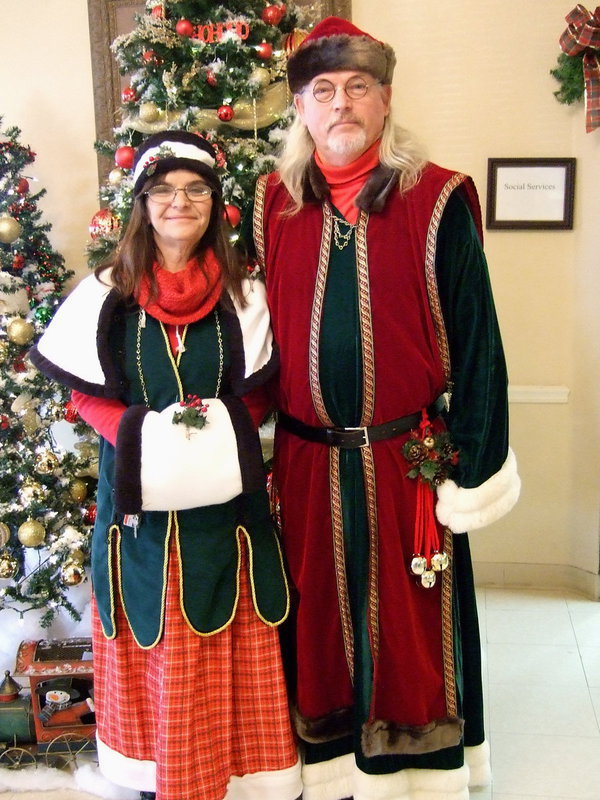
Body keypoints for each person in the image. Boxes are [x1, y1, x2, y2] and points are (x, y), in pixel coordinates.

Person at [250, 16, 521, 800]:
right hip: (303, 464)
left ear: (385, 100)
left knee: (411, 636)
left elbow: (478, 347)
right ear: (301, 107)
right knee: (322, 629)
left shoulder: (437, 199)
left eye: (358, 88)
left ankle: (417, 776)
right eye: (323, 91)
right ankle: (331, 769)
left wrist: (468, 467)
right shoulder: (276, 202)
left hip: (407, 465)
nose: (342, 106)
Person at [30, 131, 302, 800]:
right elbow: (84, 393)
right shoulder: (105, 295)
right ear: (143, 203)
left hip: (226, 517)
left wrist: (216, 433)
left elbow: (262, 386)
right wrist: (140, 435)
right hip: (139, 522)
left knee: (223, 644)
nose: (180, 203)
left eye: (196, 190)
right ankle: (163, 777)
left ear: (214, 203)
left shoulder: (244, 293)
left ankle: (236, 778)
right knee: (157, 644)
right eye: (165, 191)